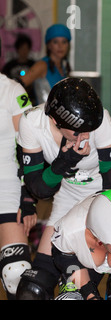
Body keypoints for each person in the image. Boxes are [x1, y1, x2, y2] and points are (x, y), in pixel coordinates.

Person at [15, 77, 111, 300]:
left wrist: (94, 231)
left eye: (89, 130)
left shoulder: (100, 120)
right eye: (78, 132)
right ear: (55, 120)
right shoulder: (32, 123)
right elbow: (38, 188)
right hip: (70, 193)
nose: (86, 137)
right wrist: (64, 162)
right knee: (32, 289)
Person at [0, 70, 35, 300]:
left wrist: (28, 197)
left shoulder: (12, 91)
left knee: (17, 276)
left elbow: (29, 146)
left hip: (6, 185)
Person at [19, 24, 71, 105]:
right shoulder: (42, 65)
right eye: (55, 42)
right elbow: (16, 85)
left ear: (68, 45)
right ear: (49, 45)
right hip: (41, 116)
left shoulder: (63, 68)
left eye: (64, 42)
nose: (60, 46)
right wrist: (24, 107)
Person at [1, 33, 36, 104]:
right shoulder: (9, 65)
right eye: (22, 48)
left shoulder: (34, 65)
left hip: (31, 99)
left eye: (26, 48)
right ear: (17, 49)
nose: (24, 51)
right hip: (13, 99)